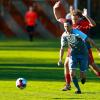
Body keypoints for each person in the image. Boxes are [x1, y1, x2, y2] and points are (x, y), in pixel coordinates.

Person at [53, 1, 100, 91]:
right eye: (71, 16)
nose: (71, 17)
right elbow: (58, 18)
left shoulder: (82, 23)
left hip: (85, 49)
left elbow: (93, 24)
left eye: (73, 16)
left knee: (93, 66)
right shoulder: (69, 24)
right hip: (72, 49)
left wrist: (86, 16)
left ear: (78, 17)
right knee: (66, 64)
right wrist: (55, 8)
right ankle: (68, 85)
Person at [59, 20, 90, 94]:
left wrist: (98, 49)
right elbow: (62, 48)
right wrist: (60, 59)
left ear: (71, 26)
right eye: (65, 26)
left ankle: (83, 78)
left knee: (83, 76)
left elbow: (88, 39)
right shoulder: (64, 35)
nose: (66, 28)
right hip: (73, 55)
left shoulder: (77, 32)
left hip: (83, 54)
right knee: (72, 73)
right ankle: (78, 89)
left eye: (67, 26)